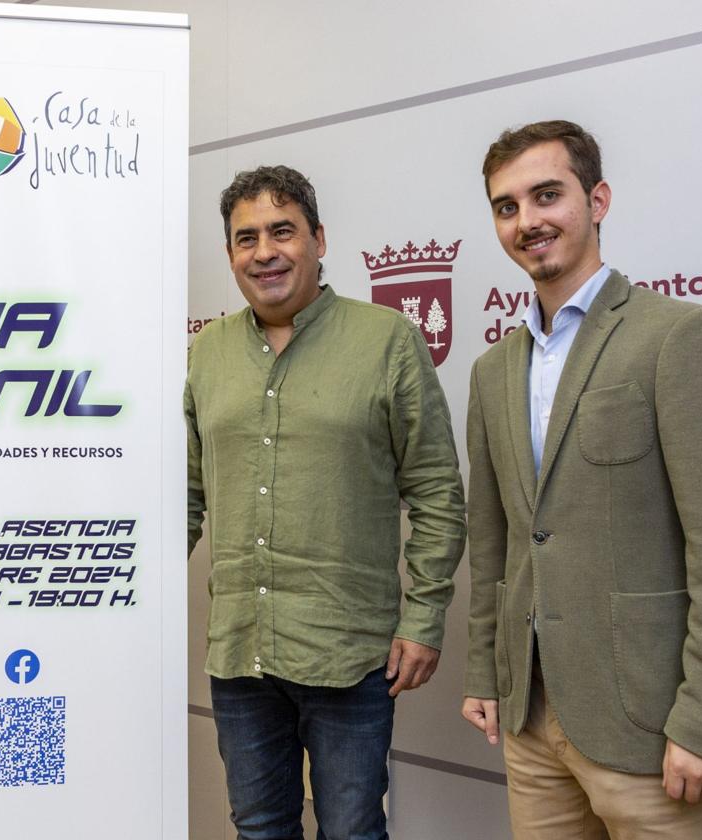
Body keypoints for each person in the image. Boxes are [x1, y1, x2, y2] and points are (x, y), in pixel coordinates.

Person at [461, 119, 702, 838]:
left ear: (597, 199)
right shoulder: (491, 371)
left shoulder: (679, 337)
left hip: (656, 729)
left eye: (547, 195)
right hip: (533, 723)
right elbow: (496, 541)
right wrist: (487, 673)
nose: (527, 221)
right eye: (506, 207)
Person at [186, 165, 466, 840]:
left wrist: (423, 618)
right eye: (246, 237)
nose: (265, 251)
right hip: (240, 656)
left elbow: (435, 488)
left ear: (319, 238)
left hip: (349, 656)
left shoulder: (387, 340)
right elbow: (186, 496)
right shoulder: (207, 351)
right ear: (229, 254)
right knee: (257, 828)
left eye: (283, 231)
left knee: (351, 831)